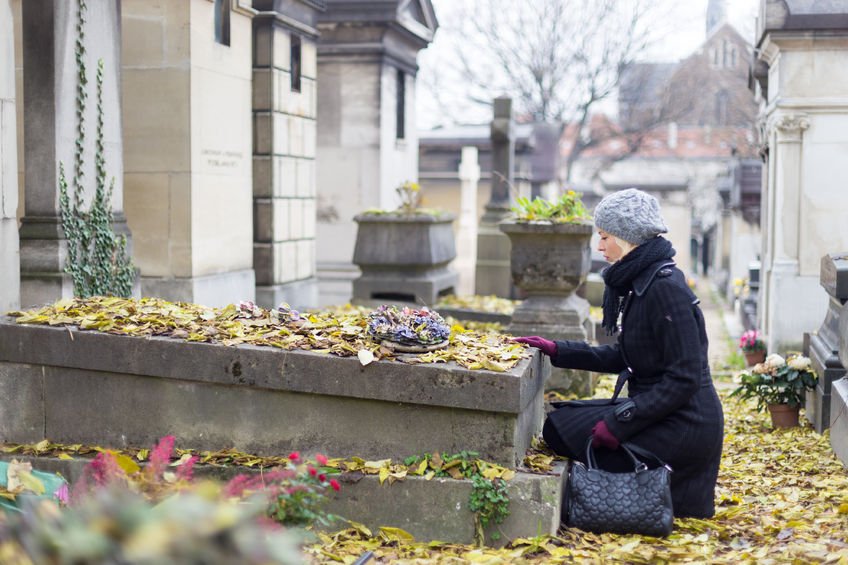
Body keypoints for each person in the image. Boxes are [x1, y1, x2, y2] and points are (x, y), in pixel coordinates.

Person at [514, 188, 724, 519]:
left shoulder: (666, 288)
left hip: (686, 421)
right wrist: (557, 350)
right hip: (661, 409)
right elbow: (629, 356)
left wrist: (620, 422)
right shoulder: (644, 281)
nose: (600, 247)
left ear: (627, 237)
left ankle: (656, 488)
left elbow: (684, 379)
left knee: (570, 431)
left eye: (605, 237)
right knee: (559, 422)